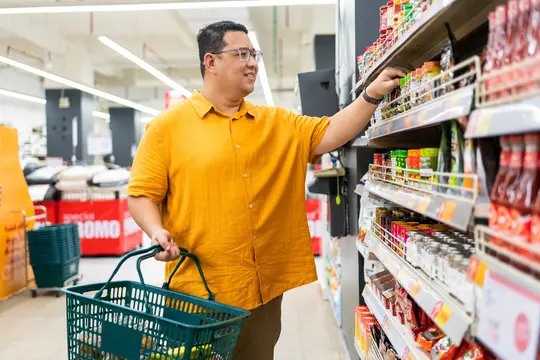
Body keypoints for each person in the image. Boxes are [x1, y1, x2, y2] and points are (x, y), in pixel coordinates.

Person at [128, 20, 404, 360]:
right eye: (241, 53)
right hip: (195, 291)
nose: (252, 62)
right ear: (211, 62)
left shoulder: (277, 123)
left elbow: (332, 131)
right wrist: (156, 231)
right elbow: (142, 193)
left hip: (259, 291)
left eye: (254, 53)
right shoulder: (166, 128)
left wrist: (371, 94)